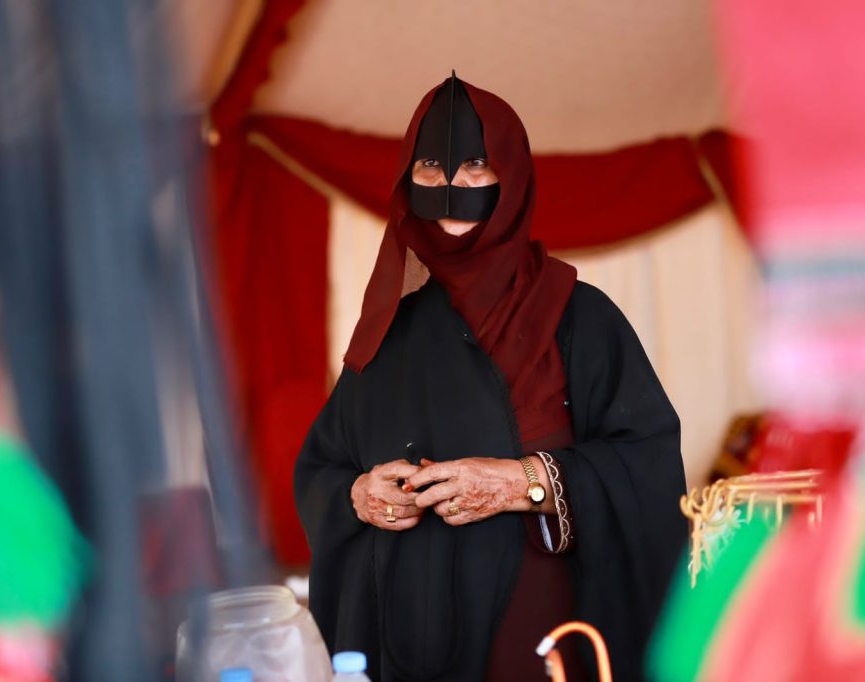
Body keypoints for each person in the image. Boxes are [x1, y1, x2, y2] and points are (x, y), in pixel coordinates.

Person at [294, 73, 687, 682]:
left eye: (476, 166)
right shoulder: (387, 331)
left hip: (539, 641)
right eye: (431, 166)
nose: (451, 186)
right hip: (402, 642)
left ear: (513, 176)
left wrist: (523, 482)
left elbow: (649, 464)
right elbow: (322, 466)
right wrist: (360, 496)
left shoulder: (578, 317)